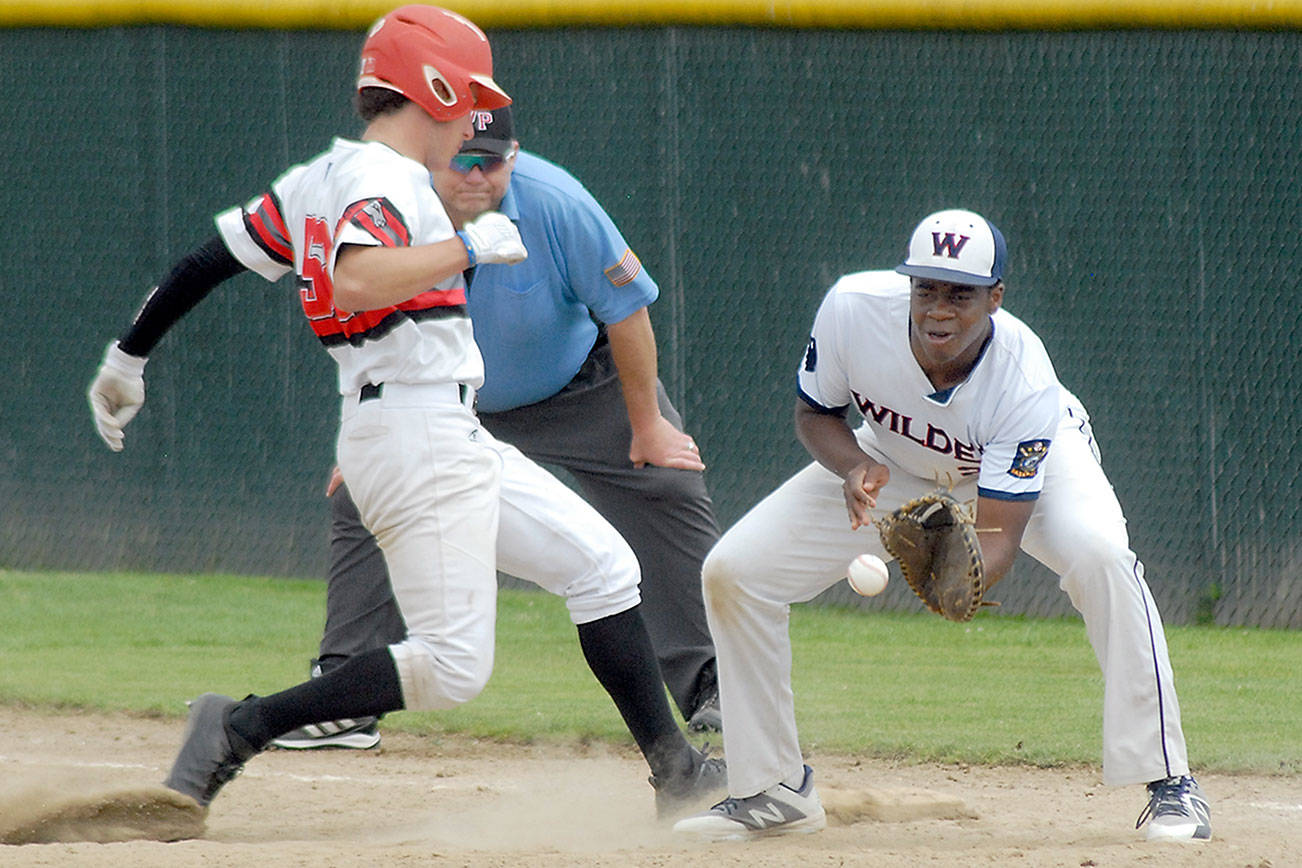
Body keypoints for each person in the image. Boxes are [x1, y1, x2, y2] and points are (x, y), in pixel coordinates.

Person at [85, 4, 722, 818]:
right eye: (467, 95)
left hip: (426, 426)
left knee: (603, 568)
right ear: (433, 86)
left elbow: (208, 261)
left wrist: (126, 356)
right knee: (454, 666)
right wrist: (469, 245)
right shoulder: (387, 179)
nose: (471, 117)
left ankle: (678, 773)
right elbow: (357, 277)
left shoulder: (319, 177)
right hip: (417, 428)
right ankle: (239, 727)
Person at [672, 209, 1211, 842]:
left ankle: (1170, 780)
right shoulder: (852, 309)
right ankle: (772, 790)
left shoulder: (1022, 375)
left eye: (960, 293)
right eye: (926, 288)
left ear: (995, 298)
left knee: (1102, 558)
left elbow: (1000, 534)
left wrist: (958, 572)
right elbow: (815, 413)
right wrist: (852, 466)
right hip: (892, 460)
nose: (939, 308)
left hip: (1026, 462)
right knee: (736, 572)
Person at [271, 105, 723, 752]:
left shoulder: (557, 204)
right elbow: (361, 321)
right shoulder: (386, 204)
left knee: (669, 482)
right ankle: (344, 693)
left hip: (573, 385)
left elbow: (626, 311)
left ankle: (709, 683)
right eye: (463, 156)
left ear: (515, 156)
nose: (478, 173)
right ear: (432, 151)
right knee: (358, 498)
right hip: (446, 400)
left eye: (494, 158)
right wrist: (369, 439)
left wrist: (647, 425)